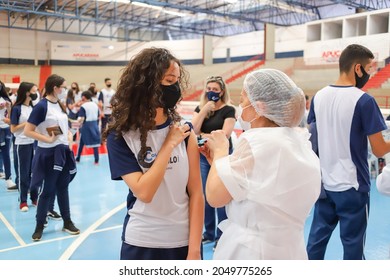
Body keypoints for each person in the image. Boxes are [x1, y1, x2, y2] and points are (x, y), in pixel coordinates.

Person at [201, 68, 321, 260]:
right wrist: (220, 165)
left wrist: (221, 152)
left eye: (243, 99)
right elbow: (258, 189)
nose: (240, 106)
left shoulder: (255, 141)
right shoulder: (299, 140)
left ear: (261, 107)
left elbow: (215, 197)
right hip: (290, 248)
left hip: (251, 251)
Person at [105, 47, 204, 260]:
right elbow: (144, 192)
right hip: (142, 241)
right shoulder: (120, 136)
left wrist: (195, 250)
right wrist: (168, 145)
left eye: (177, 81)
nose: (175, 88)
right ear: (146, 85)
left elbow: (196, 193)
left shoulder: (185, 132)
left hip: (183, 241)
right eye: (169, 81)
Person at [306, 44, 390, 260]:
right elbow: (380, 149)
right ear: (358, 68)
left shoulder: (318, 96)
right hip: (352, 187)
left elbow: (313, 135)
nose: (370, 73)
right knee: (353, 249)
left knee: (315, 244)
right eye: (369, 68)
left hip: (324, 184)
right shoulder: (364, 101)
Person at [24, 74, 80, 241]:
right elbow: (28, 130)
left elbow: (65, 127)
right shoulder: (41, 106)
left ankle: (67, 221)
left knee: (63, 188)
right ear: (55, 88)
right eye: (63, 86)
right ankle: (39, 225)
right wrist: (48, 139)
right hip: (48, 153)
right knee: (47, 191)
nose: (65, 90)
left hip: (63, 151)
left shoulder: (60, 105)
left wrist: (70, 135)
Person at [191, 76, 236, 248]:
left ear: (222, 91)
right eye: (208, 88)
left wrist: (202, 135)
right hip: (203, 155)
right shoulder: (200, 108)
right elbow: (193, 130)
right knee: (206, 194)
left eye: (215, 89)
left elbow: (224, 135)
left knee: (220, 195)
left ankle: (221, 236)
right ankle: (208, 232)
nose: (211, 92)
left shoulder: (229, 110)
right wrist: (204, 111)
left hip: (222, 155)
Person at [10, 82, 39, 211]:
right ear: (27, 92)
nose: (36, 93)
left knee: (34, 172)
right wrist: (27, 123)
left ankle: (34, 197)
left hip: (33, 143)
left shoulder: (32, 108)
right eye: (34, 91)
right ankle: (23, 200)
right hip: (21, 144)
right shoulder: (17, 108)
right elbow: (13, 129)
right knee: (23, 174)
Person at [75, 91, 101, 165]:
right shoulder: (95, 105)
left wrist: (77, 122)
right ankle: (96, 161)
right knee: (95, 143)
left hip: (86, 125)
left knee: (81, 142)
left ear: (83, 97)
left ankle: (78, 159)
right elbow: (98, 115)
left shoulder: (83, 106)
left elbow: (82, 118)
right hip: (95, 125)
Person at [0, 80, 17, 190]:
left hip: (5, 128)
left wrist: (9, 108)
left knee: (6, 154)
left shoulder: (5, 99)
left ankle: (8, 179)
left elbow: (11, 117)